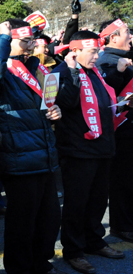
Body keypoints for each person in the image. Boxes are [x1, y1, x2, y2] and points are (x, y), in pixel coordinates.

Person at [0, 20, 62, 274]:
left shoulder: (35, 67)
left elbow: (45, 105)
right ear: (8, 42)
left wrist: (55, 110)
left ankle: (40, 263)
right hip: (18, 158)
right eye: (25, 41)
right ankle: (21, 268)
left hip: (44, 155)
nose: (32, 45)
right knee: (22, 224)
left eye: (32, 40)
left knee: (48, 219)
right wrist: (1, 39)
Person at [53, 30, 125, 274]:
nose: (97, 56)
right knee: (76, 203)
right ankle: (73, 251)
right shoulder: (61, 72)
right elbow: (66, 102)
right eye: (93, 52)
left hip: (102, 147)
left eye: (97, 51)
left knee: (97, 201)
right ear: (75, 51)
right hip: (78, 151)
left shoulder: (96, 71)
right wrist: (73, 72)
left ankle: (95, 241)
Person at [96, 19, 133, 244]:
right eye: (127, 32)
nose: (131, 36)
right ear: (114, 37)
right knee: (123, 180)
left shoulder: (125, 57)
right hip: (121, 131)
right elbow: (104, 96)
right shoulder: (106, 61)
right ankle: (122, 226)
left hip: (129, 128)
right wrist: (118, 74)